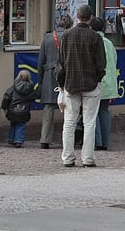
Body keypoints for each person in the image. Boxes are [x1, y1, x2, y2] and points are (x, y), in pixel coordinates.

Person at [57, 4, 106, 168]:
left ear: (76, 16)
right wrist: (98, 78)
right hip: (91, 84)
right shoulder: (95, 37)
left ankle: (68, 158)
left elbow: (61, 63)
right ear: (90, 18)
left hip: (71, 83)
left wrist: (62, 84)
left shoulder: (66, 36)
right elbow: (101, 63)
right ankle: (88, 158)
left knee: (69, 122)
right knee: (89, 123)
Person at [38, 14, 72, 149]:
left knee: (48, 108)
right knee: (70, 107)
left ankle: (45, 139)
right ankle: (68, 139)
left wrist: (41, 80)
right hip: (67, 74)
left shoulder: (47, 38)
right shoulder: (70, 37)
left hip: (49, 74)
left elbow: (41, 61)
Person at [91, 17, 117, 151]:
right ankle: (105, 142)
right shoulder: (109, 43)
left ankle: (97, 141)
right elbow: (115, 60)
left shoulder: (93, 42)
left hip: (97, 81)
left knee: (93, 112)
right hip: (110, 83)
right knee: (104, 112)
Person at [3, 69, 35, 147]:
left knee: (13, 124)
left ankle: (11, 139)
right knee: (21, 125)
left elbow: (6, 98)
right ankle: (18, 140)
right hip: (24, 111)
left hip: (13, 110)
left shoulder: (13, 88)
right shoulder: (30, 89)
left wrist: (4, 107)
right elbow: (34, 97)